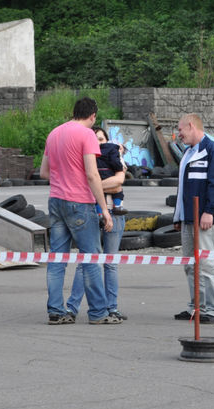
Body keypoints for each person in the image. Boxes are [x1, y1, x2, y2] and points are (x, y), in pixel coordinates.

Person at [40, 96, 120, 325]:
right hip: (79, 203)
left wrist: (63, 176)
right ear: (93, 116)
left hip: (55, 201)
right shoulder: (87, 135)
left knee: (57, 259)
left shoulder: (54, 133)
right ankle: (98, 313)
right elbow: (92, 174)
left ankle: (55, 311)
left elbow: (44, 172)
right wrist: (104, 209)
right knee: (91, 257)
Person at [172, 113, 214, 324]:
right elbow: (182, 188)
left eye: (180, 130)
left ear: (191, 126)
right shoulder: (188, 153)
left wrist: (210, 211)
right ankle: (197, 307)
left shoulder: (213, 150)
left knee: (207, 264)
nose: (179, 134)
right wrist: (177, 216)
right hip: (187, 218)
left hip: (204, 217)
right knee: (190, 264)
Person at [93, 126, 128, 320]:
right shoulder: (87, 158)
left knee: (110, 263)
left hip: (114, 214)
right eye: (94, 139)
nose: (98, 143)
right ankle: (79, 307)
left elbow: (118, 183)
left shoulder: (114, 157)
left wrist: (94, 186)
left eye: (101, 139)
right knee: (88, 263)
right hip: (91, 213)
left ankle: (111, 307)